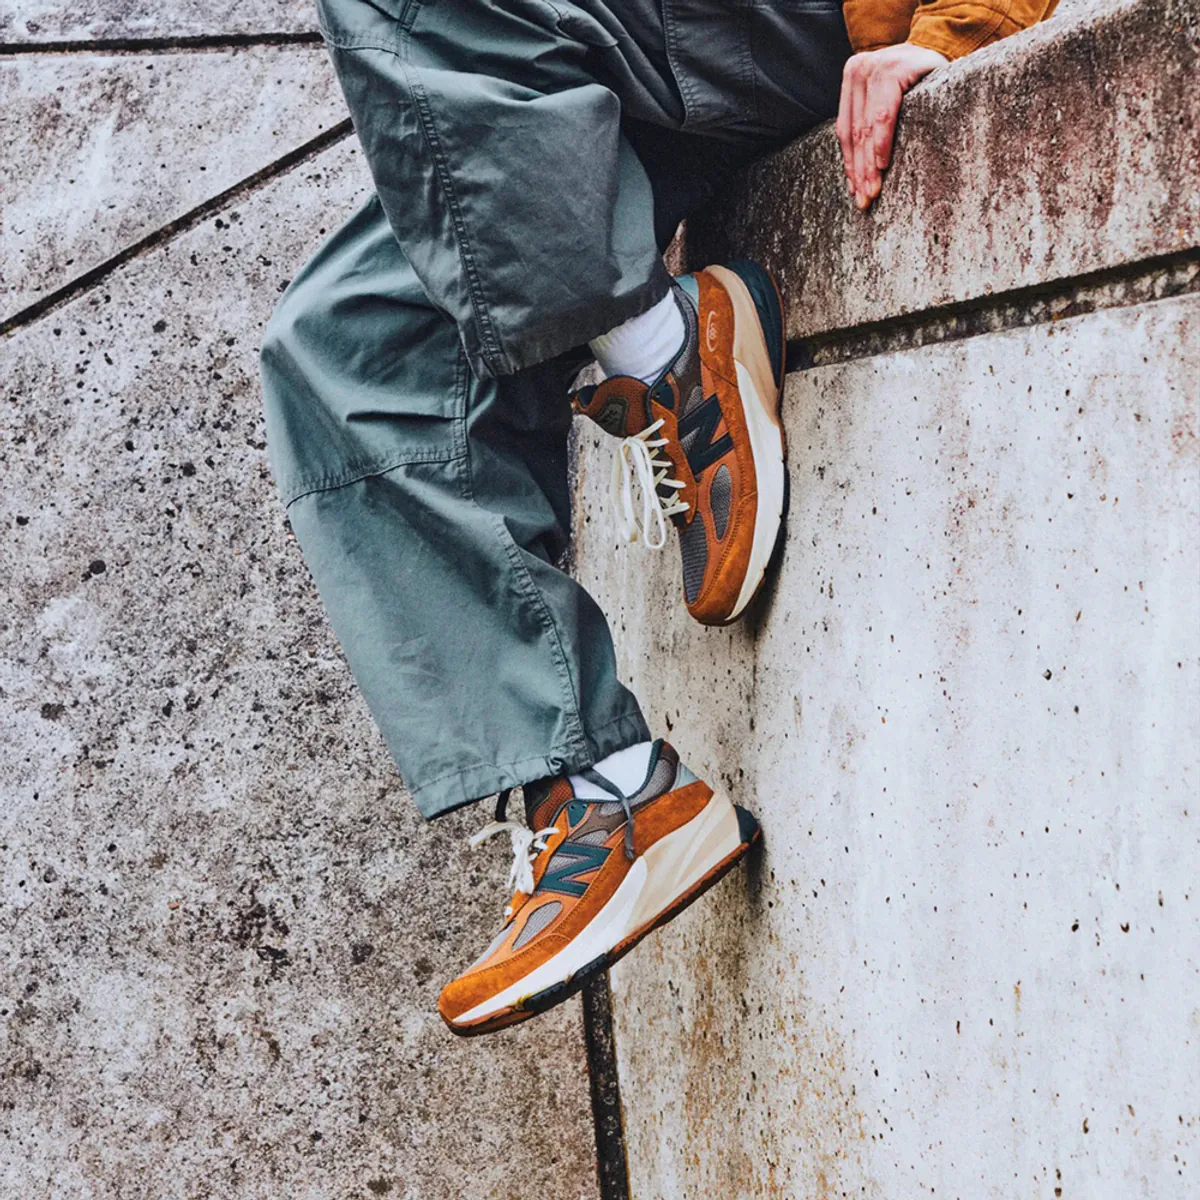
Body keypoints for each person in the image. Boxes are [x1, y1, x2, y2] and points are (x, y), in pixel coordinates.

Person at [260, 0, 1059, 1036]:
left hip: (781, 26)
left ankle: (663, 350)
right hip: (619, 54)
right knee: (348, 346)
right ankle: (607, 787)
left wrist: (961, 29)